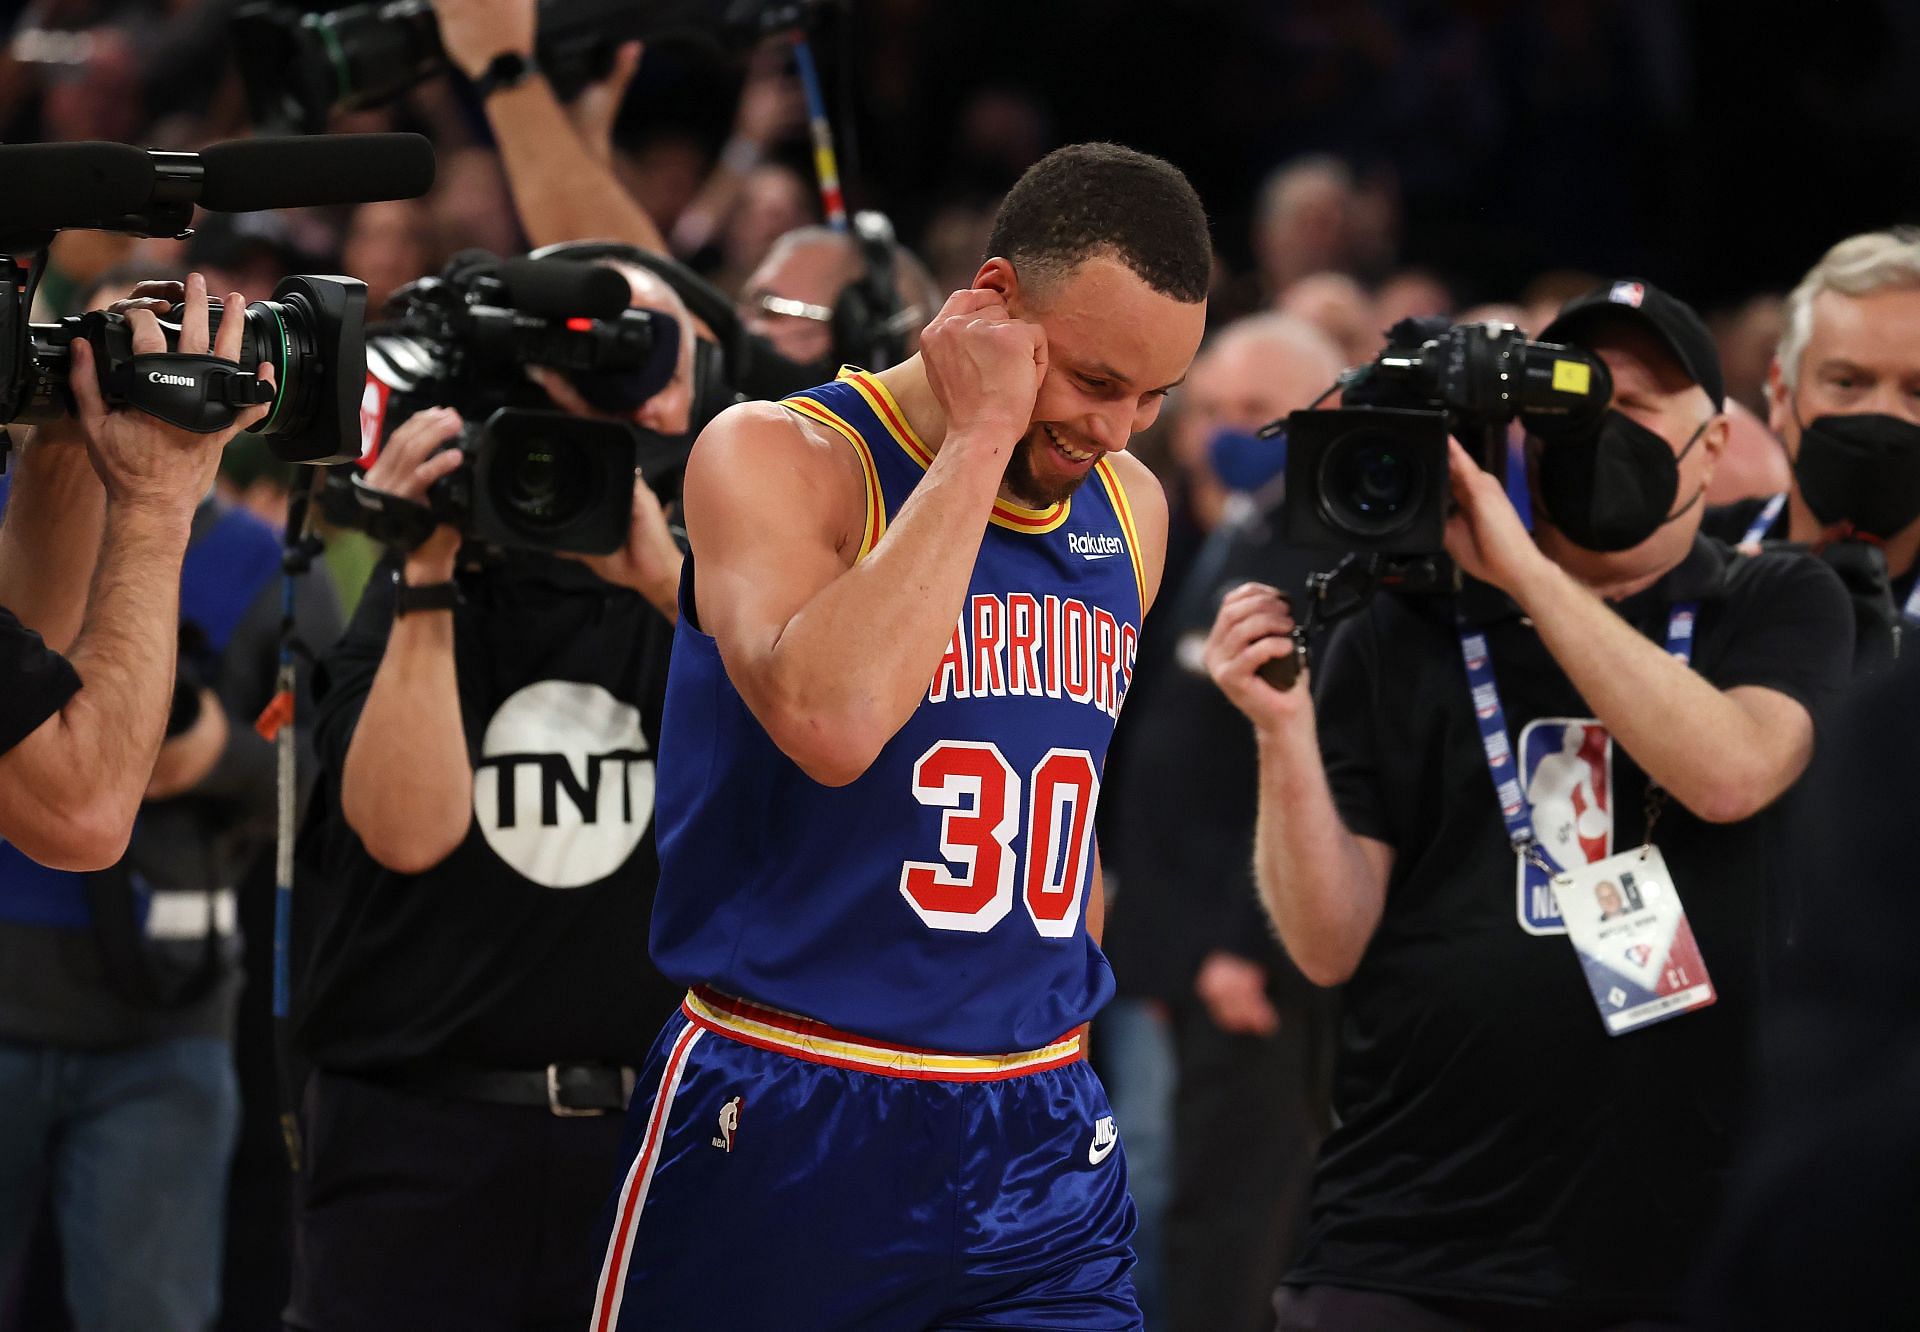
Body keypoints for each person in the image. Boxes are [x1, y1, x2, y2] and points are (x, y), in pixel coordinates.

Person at [593, 142, 1209, 1330]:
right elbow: (833, 721)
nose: (1120, 430)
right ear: (991, 304)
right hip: (793, 1097)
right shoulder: (779, 455)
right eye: (1091, 379)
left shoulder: (1129, 506)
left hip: (1039, 1118)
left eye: (1153, 395)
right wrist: (979, 439)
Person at [1206, 278, 1853, 1330]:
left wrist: (1520, 568)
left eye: (1636, 409)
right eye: (1574, 411)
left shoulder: (1774, 599)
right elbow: (1326, 946)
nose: (1600, 434)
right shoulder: (1400, 630)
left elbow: (1730, 772)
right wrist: (1282, 736)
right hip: (1408, 1235)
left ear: (1718, 438)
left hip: (1687, 1247)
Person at [283, 266, 693, 1331]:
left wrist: (666, 582)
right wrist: (424, 575)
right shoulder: (419, 581)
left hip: (651, 1146)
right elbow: (407, 833)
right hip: (420, 1142)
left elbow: (817, 749)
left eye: (653, 357)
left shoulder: (710, 608)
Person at [0, 274, 277, 1329]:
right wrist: (151, 499)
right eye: (103, 351)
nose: (131, 372)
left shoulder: (254, 557)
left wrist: (216, 760)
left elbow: (306, 785)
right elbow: (74, 804)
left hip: (163, 1008)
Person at [1100, 312, 1345, 1332]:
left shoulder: (1322, 554)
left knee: (1217, 1212)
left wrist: (1246, 945)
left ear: (1321, 419)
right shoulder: (1225, 528)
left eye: (1256, 415)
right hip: (1167, 935)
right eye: (1209, 412)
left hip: (1239, 954)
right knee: (1161, 1189)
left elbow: (1302, 771)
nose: (1223, 434)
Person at [1705, 229, 1920, 668]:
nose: (1884, 412)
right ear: (1781, 394)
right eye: (1847, 382)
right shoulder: (1687, 567)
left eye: (1919, 392)